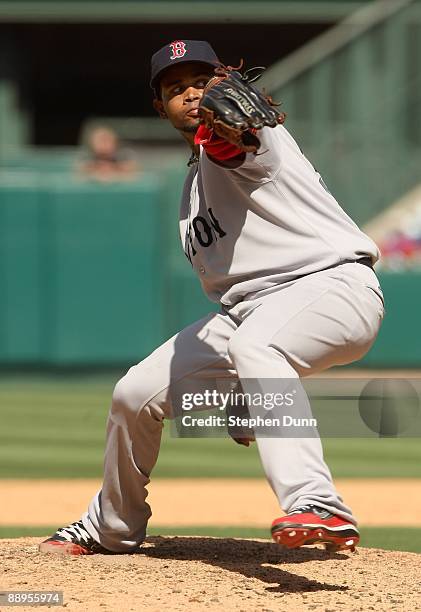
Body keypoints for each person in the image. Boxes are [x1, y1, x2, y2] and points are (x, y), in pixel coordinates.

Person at [39, 40, 385, 555]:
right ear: (160, 108)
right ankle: (112, 525)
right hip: (248, 313)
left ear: (224, 83)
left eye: (201, 82)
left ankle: (319, 503)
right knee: (135, 395)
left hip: (331, 288)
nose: (192, 94)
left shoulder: (256, 140)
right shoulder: (194, 183)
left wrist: (234, 131)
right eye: (176, 89)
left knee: (255, 350)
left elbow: (237, 142)